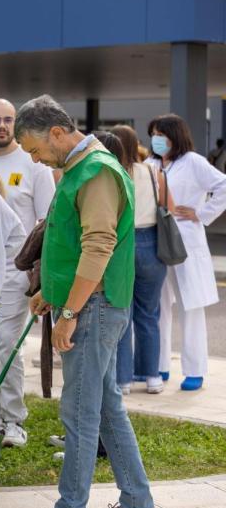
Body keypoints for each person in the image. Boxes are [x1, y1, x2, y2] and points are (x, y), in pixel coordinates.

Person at [10, 95, 157, 508]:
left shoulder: (95, 170)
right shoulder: (84, 167)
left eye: (35, 149)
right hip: (90, 304)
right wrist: (50, 296)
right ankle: (137, 505)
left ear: (57, 131)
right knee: (106, 407)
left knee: (79, 412)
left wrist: (69, 311)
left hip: (93, 308)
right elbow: (76, 244)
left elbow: (98, 245)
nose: (34, 158)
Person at [0, 98, 56, 448]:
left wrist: (39, 275)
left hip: (15, 273)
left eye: (7, 120)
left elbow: (47, 222)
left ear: (16, 125)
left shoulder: (32, 164)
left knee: (8, 344)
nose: (1, 125)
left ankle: (14, 419)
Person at [148, 114, 226, 391]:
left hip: (185, 239)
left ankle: (194, 370)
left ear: (174, 136)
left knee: (189, 306)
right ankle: (158, 366)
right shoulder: (151, 164)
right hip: (156, 239)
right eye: (153, 134)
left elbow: (223, 186)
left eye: (161, 134)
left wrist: (201, 213)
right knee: (157, 306)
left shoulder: (193, 162)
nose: (156, 139)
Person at [101, 129, 171, 395]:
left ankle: (123, 380)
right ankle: (152, 376)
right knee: (149, 314)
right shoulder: (154, 172)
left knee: (122, 314)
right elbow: (167, 207)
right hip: (151, 244)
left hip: (121, 244)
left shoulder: (109, 173)